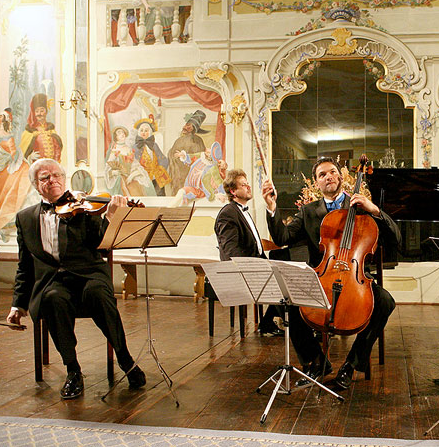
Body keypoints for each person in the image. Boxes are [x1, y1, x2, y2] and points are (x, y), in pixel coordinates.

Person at [6, 158, 146, 399]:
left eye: (57, 175)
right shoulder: (25, 218)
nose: (53, 180)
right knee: (52, 299)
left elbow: (102, 246)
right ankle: (73, 371)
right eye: (45, 177)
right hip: (53, 282)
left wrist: (111, 218)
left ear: (64, 178)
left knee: (98, 294)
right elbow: (25, 265)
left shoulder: (84, 207)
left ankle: (126, 360)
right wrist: (18, 304)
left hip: (88, 274)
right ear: (35, 185)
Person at [262, 156, 401, 390]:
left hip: (355, 279)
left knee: (385, 302)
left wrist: (375, 210)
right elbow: (282, 238)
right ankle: (316, 362)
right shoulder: (308, 211)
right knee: (288, 301)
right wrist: (272, 208)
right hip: (322, 278)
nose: (328, 177)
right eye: (322, 174)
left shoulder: (360, 207)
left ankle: (351, 364)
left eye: (332, 172)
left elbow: (395, 238)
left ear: (341, 177)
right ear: (316, 183)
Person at [215, 169, 283, 336]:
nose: (248, 187)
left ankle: (268, 322)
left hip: (256, 264)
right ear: (233, 191)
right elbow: (231, 251)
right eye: (243, 185)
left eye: (247, 184)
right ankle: (293, 326)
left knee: (285, 272)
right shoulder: (228, 213)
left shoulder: (241, 211)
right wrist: (256, 267)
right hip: (243, 270)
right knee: (282, 282)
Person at [167, 110, 208, 193]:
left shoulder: (198, 141)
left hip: (191, 172)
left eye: (190, 126)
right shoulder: (179, 140)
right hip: (178, 172)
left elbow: (201, 157)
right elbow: (172, 154)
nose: (186, 127)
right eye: (187, 124)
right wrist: (171, 154)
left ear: (194, 129)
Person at [20, 93, 63, 163]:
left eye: (42, 111)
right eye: (37, 111)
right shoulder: (29, 132)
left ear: (46, 112)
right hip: (36, 166)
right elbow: (24, 152)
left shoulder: (51, 130)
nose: (39, 113)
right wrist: (30, 157)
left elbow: (57, 148)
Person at [133, 117, 170, 196]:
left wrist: (160, 169)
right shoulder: (135, 147)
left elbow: (163, 159)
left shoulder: (154, 145)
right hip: (143, 176)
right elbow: (133, 163)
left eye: (146, 131)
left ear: (149, 132)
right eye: (142, 130)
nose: (144, 132)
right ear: (139, 132)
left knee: (159, 194)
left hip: (156, 176)